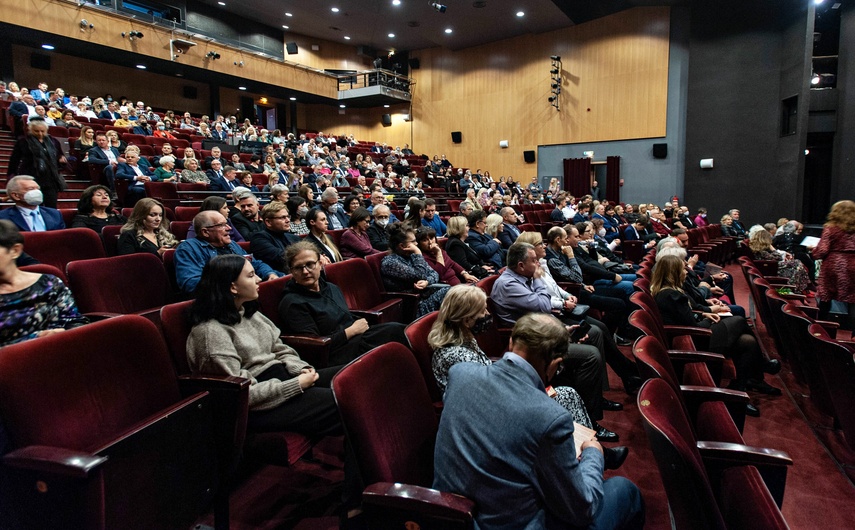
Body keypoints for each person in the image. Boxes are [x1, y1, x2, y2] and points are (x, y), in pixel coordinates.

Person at [433, 312, 644, 530]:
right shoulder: (549, 417)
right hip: (510, 524)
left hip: (448, 516)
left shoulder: (459, 374)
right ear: (555, 364)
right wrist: (593, 453)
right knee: (624, 489)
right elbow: (582, 508)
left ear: (511, 342)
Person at [428, 285, 629, 469]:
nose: (488, 314)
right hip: (487, 419)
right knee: (564, 395)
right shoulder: (455, 355)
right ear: (466, 319)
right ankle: (581, 458)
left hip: (496, 398)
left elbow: (488, 375)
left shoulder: (464, 339)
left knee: (567, 392)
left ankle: (586, 451)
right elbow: (481, 396)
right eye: (483, 311)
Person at [185, 253, 346, 444]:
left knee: (356, 378)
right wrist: (295, 385)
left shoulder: (249, 312)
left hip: (282, 378)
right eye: (251, 275)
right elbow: (239, 395)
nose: (259, 279)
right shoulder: (210, 333)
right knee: (348, 403)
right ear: (232, 286)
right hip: (260, 406)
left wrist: (298, 367)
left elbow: (279, 348)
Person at [492, 241, 619, 439]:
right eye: (534, 261)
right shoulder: (509, 284)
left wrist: (562, 330)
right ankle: (589, 421)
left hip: (542, 331)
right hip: (531, 345)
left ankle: (596, 398)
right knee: (590, 355)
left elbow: (542, 310)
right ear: (521, 266)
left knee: (593, 333)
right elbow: (543, 305)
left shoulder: (524, 277)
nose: (539, 263)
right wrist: (539, 280)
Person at [651, 254, 780, 415]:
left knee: (747, 342)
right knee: (739, 320)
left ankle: (739, 387)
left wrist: (705, 314)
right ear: (673, 273)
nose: (686, 272)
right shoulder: (671, 294)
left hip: (690, 334)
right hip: (693, 340)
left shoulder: (666, 292)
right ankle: (761, 366)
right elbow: (693, 325)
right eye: (682, 270)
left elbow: (687, 315)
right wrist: (711, 321)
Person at [279, 242, 409, 365]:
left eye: (310, 264)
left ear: (320, 264)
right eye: (298, 267)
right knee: (393, 339)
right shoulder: (292, 303)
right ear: (291, 271)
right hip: (335, 352)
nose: (305, 271)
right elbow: (314, 347)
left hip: (355, 338)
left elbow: (344, 316)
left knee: (399, 330)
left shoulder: (331, 287)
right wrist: (350, 331)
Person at [0, 220, 88, 347]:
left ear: (15, 250)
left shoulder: (50, 283)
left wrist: (64, 333)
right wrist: (34, 340)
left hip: (60, 353)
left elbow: (76, 322)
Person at [175, 211, 281, 293]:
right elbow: (190, 284)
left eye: (227, 224)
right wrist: (236, 283)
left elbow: (255, 263)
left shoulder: (232, 245)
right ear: (205, 232)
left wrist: (269, 273)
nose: (229, 228)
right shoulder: (188, 248)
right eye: (222, 225)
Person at [381, 223, 451, 317]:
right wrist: (418, 253)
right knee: (451, 293)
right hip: (412, 306)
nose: (417, 243)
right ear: (402, 246)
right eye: (413, 241)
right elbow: (420, 275)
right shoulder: (390, 263)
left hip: (426, 297)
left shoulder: (412, 256)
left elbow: (434, 273)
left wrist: (427, 282)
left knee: (457, 293)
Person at [7, 119, 66, 208]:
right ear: (30, 130)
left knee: (51, 205)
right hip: (31, 177)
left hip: (50, 178)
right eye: (36, 131)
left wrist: (61, 159)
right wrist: (12, 176)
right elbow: (14, 160)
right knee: (33, 205)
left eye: (42, 131)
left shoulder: (53, 141)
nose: (40, 133)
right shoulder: (23, 141)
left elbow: (59, 155)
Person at [814, 200, 855, 328]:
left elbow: (822, 250)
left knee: (826, 296)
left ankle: (821, 326)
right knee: (853, 299)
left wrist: (813, 252)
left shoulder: (830, 228)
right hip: (853, 265)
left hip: (833, 266)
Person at [748, 229, 811, 293]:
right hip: (772, 269)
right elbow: (778, 258)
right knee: (797, 265)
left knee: (798, 264)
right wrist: (773, 249)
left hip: (771, 267)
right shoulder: (762, 251)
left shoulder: (758, 249)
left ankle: (799, 288)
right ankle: (797, 288)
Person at [248, 201, 301, 273]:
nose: (288, 220)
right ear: (268, 222)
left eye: (288, 217)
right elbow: (282, 257)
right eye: (282, 217)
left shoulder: (294, 237)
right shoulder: (259, 239)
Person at [0, 176, 65, 232]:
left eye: (38, 189)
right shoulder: (2, 217)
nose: (37, 192)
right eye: (31, 189)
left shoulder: (55, 214)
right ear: (16, 196)